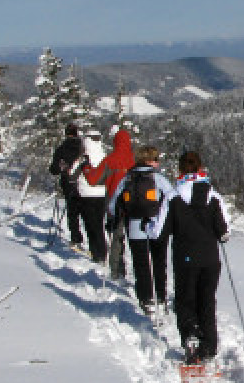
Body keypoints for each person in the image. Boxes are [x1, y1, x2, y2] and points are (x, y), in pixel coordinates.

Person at [147, 151, 229, 365]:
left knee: (186, 300)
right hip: (211, 258)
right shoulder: (213, 195)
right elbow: (225, 228)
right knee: (207, 301)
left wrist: (148, 226)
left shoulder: (174, 196)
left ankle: (191, 339)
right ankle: (209, 346)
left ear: (180, 170)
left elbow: (158, 232)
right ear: (201, 168)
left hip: (185, 257)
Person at [110, 144, 174, 315]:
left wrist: (116, 219)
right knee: (159, 262)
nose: (158, 163)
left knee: (141, 263)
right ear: (150, 161)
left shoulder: (127, 178)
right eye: (156, 159)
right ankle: (160, 296)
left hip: (135, 226)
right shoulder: (158, 179)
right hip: (157, 226)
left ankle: (146, 298)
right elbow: (173, 199)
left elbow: (113, 204)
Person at [82, 127, 134, 279]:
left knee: (116, 240)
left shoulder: (110, 160)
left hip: (114, 205)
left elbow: (93, 180)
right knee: (136, 243)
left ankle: (117, 271)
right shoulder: (134, 160)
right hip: (134, 207)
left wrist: (86, 167)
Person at [73, 129, 109, 263]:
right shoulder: (104, 155)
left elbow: (72, 175)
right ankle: (102, 252)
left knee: (90, 224)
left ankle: (96, 252)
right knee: (99, 224)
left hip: (86, 194)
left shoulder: (84, 158)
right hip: (102, 194)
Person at [47, 123, 85, 250]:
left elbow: (54, 169)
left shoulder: (62, 148)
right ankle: (95, 245)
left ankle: (76, 238)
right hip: (86, 183)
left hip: (68, 182)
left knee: (72, 211)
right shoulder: (84, 147)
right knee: (88, 213)